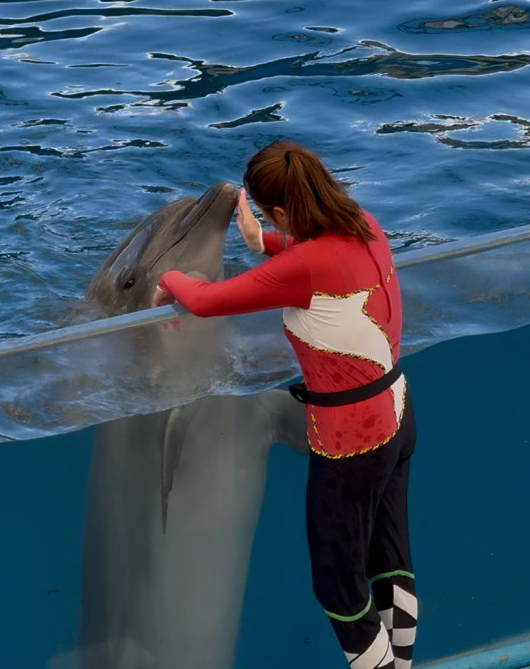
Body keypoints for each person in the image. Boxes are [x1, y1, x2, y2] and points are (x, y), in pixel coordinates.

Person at [153, 141, 418, 669]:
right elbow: (314, 259)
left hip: (351, 442)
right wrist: (264, 242)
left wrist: (169, 279)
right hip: (398, 410)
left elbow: (204, 301)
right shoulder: (362, 223)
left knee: (339, 590)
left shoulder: (306, 265)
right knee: (388, 562)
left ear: (279, 209)